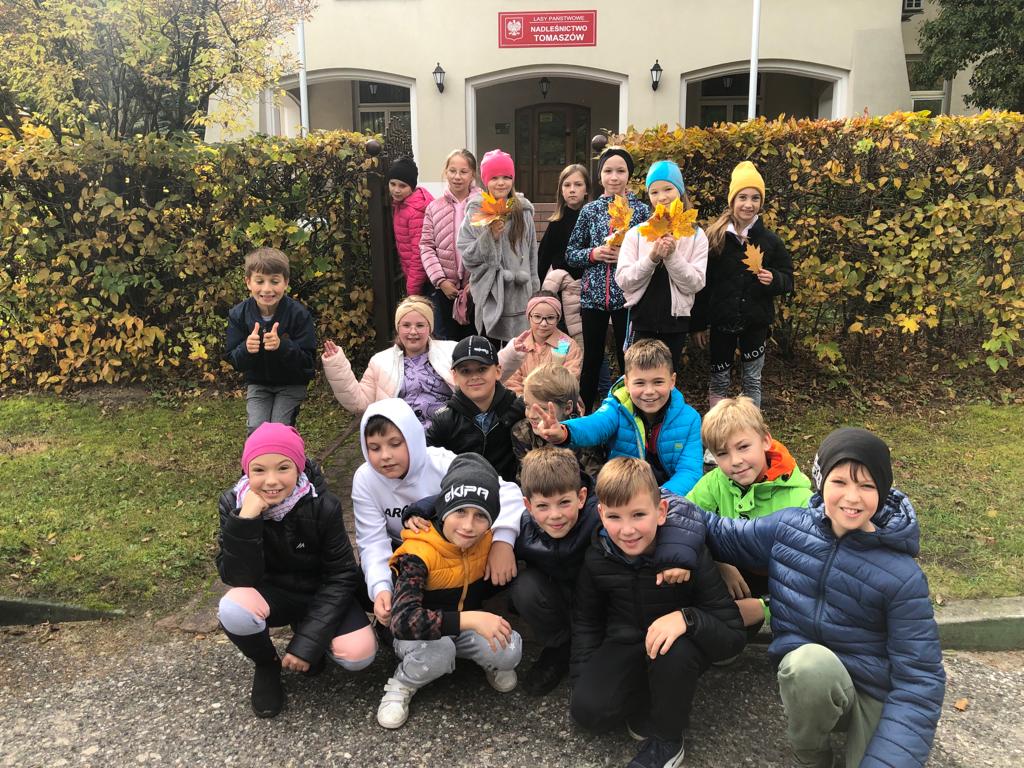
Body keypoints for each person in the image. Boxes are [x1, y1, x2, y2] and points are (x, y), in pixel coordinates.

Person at [703, 428, 946, 768]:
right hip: (817, 685)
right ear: (820, 482)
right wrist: (655, 501)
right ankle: (811, 755)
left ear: (882, 491)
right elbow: (721, 533)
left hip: (876, 693)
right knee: (806, 665)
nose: (852, 497)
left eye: (867, 486)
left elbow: (919, 679)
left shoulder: (903, 576)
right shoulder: (789, 527)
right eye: (839, 482)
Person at [570, 457, 746, 768]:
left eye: (639, 515)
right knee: (588, 712)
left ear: (661, 512)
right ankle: (651, 696)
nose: (627, 530)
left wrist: (687, 618)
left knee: (672, 651)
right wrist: (584, 677)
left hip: (677, 647)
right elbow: (587, 621)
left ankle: (669, 740)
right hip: (626, 640)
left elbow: (732, 634)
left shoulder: (688, 555)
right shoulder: (597, 557)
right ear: (601, 514)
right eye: (614, 517)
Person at [215, 423, 375, 718]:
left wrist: (307, 644)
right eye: (259, 470)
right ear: (247, 470)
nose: (271, 480)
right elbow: (237, 577)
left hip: (320, 592)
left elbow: (342, 575)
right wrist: (246, 519)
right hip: (273, 595)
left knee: (359, 654)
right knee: (232, 608)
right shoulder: (232, 503)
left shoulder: (323, 505)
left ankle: (308, 632)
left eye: (283, 468)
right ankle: (267, 664)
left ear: (298, 468)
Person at [376, 454, 523, 729]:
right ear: (444, 509)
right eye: (460, 512)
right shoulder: (418, 553)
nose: (468, 526)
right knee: (440, 651)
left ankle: (479, 658)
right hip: (415, 635)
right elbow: (401, 621)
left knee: (510, 650)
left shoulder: (488, 540)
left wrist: (506, 544)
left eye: (481, 516)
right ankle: (402, 683)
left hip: (460, 627)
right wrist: (471, 619)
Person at [351, 398, 524, 628]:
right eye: (374, 448)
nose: (385, 455)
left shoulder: (442, 462)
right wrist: (381, 588)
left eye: (395, 444)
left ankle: (454, 614)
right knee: (363, 584)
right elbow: (372, 541)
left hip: (453, 552)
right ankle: (404, 621)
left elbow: (508, 492)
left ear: (413, 438)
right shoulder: (365, 479)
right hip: (406, 558)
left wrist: (503, 542)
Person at [685, 396, 812, 628]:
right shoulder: (714, 483)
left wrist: (764, 608)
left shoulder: (801, 499)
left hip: (780, 589)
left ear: (765, 440)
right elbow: (680, 520)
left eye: (743, 447)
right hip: (729, 582)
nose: (735, 461)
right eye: (722, 453)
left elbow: (812, 577)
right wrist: (718, 563)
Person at [531, 339, 703, 497]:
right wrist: (564, 432)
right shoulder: (617, 407)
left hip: (670, 498)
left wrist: (657, 499)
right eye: (640, 383)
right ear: (626, 383)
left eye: (658, 382)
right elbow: (595, 424)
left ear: (672, 381)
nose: (649, 391)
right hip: (623, 494)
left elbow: (689, 472)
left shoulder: (690, 419)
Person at [690, 161, 794, 409]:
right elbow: (702, 285)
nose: (749, 204)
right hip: (721, 323)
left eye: (755, 198)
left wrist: (774, 279)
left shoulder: (770, 242)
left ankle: (751, 425)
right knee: (719, 380)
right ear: (732, 201)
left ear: (761, 202)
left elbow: (788, 278)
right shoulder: (715, 238)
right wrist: (698, 324)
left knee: (752, 381)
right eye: (743, 197)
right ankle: (717, 426)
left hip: (755, 322)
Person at [565, 146, 651, 411]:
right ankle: (584, 414)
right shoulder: (590, 210)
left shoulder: (641, 211)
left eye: (620, 171)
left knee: (629, 359)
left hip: (628, 298)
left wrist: (626, 255)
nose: (614, 177)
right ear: (600, 175)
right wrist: (594, 254)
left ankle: (631, 412)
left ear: (629, 175)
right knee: (592, 359)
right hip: (593, 298)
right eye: (608, 171)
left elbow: (651, 254)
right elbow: (571, 253)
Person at [510, 446, 600, 695]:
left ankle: (600, 645)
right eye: (543, 506)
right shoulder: (520, 529)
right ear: (528, 505)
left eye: (564, 502)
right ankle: (559, 647)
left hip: (597, 600)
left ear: (581, 497)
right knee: (524, 587)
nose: (555, 515)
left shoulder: (600, 514)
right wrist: (501, 544)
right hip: (556, 596)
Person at [616, 160, 708, 371]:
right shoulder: (636, 234)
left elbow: (695, 283)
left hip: (675, 322)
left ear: (680, 191)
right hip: (641, 319)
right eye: (654, 192)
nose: (662, 197)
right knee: (639, 376)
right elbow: (623, 280)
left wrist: (673, 256)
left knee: (666, 377)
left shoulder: (695, 235)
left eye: (668, 189)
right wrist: (652, 258)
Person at [224, 248, 316, 433]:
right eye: (260, 281)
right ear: (248, 282)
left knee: (279, 430)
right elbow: (234, 359)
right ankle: (258, 454)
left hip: (291, 383)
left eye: (274, 281)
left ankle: (289, 452)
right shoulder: (238, 315)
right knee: (257, 430)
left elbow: (308, 361)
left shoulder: (299, 314)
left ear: (286, 282)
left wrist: (283, 346)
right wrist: (246, 348)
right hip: (258, 383)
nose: (267, 289)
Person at [458, 149, 539, 345]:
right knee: (490, 351)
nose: (501, 183)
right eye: (494, 178)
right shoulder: (476, 210)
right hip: (490, 294)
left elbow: (531, 253)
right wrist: (490, 237)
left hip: (520, 295)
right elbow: (467, 255)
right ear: (485, 180)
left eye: (506, 177)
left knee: (518, 351)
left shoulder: (523, 211)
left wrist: (534, 288)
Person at [427, 335, 526, 482]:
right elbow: (424, 460)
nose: (474, 377)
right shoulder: (445, 419)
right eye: (465, 371)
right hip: (462, 491)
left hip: (512, 491)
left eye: (482, 369)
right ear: (455, 376)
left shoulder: (520, 409)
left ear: (498, 371)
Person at [420, 149, 478, 341]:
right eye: (452, 171)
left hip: (477, 289)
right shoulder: (434, 208)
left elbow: (492, 248)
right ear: (446, 172)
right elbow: (426, 246)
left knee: (475, 342)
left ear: (472, 174)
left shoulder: (483, 205)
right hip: (445, 290)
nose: (457, 177)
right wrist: (441, 281)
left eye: (464, 172)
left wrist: (476, 282)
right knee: (446, 343)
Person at [511, 363, 605, 483]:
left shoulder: (585, 436)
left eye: (542, 409)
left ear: (567, 408)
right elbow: (523, 480)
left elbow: (594, 483)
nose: (531, 415)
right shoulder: (521, 432)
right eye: (527, 406)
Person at [499, 290, 582, 396]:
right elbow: (511, 382)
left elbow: (569, 382)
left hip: (558, 402)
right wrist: (525, 402)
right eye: (537, 317)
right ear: (529, 317)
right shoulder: (519, 345)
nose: (543, 324)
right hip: (522, 402)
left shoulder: (568, 345)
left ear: (558, 318)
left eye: (550, 318)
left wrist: (528, 384)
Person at [387, 157, 434, 297]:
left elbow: (418, 254)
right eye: (392, 184)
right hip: (416, 277)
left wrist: (412, 290)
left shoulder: (415, 212)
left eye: (402, 186)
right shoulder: (401, 205)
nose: (396, 190)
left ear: (412, 187)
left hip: (425, 281)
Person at [537, 163, 590, 283]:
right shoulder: (557, 222)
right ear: (561, 190)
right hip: (561, 284)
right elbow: (543, 258)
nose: (572, 190)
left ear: (586, 189)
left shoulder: (593, 219)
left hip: (588, 284)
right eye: (567, 185)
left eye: (578, 184)